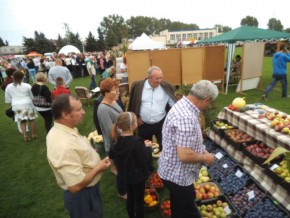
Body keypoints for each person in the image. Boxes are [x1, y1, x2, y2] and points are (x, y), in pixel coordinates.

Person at [157, 80, 218, 218]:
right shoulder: (186, 117)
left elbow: (184, 141)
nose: (208, 106)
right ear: (206, 99)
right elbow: (184, 155)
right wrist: (205, 158)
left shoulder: (183, 105)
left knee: (178, 206)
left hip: (170, 170)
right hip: (178, 176)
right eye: (210, 102)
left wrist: (201, 150)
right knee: (189, 212)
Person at [46, 94, 111, 218]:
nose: (84, 112)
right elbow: (75, 186)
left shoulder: (65, 129)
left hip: (87, 191)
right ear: (65, 114)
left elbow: (76, 152)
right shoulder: (64, 145)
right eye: (79, 109)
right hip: (82, 195)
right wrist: (99, 167)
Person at [109, 112, 151, 218]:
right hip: (137, 177)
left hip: (125, 175)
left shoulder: (117, 141)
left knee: (130, 197)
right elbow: (144, 160)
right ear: (131, 126)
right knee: (139, 200)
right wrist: (148, 148)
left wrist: (114, 167)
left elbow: (111, 155)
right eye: (136, 120)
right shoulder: (137, 142)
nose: (137, 122)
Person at [128, 66, 177, 151]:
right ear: (149, 77)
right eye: (157, 78)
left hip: (161, 122)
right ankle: (147, 161)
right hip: (143, 124)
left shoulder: (166, 86)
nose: (159, 81)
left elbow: (173, 104)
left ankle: (164, 161)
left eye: (161, 77)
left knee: (165, 145)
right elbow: (133, 102)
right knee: (144, 147)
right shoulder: (138, 86)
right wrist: (136, 117)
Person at [5, 69, 38, 141]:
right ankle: (33, 134)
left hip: (16, 105)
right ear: (22, 77)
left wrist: (10, 105)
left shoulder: (9, 86)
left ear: (13, 77)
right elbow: (32, 96)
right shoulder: (27, 85)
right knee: (31, 119)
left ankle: (25, 136)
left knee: (22, 121)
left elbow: (7, 98)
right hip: (28, 104)